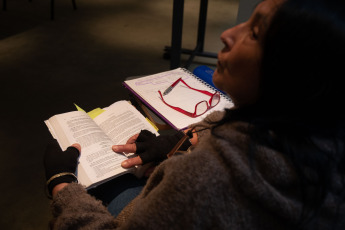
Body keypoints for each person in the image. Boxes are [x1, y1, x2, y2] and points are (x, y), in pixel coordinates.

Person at [43, 0, 345, 229]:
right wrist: (180, 140)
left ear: (292, 73)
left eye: (254, 32)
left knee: (105, 182)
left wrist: (62, 185)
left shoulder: (205, 177)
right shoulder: (321, 136)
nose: (227, 34)